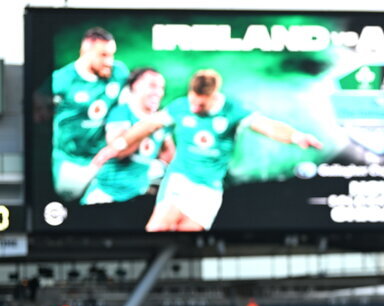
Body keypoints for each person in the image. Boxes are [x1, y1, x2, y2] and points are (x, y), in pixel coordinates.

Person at [93, 69, 322, 232]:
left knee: (185, 241)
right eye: (193, 100)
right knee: (158, 228)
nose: (194, 107)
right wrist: (117, 146)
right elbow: (148, 125)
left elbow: (267, 126)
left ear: (213, 97)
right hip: (180, 179)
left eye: (200, 104)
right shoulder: (181, 107)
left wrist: (295, 136)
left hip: (208, 189)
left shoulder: (233, 111)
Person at [49, 27, 130, 200]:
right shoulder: (61, 80)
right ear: (86, 51)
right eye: (103, 55)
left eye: (112, 54)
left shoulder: (119, 73)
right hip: (70, 162)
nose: (110, 61)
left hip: (104, 161)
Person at [82, 67, 173, 205]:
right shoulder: (122, 112)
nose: (158, 92)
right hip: (106, 196)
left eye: (161, 88)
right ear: (135, 85)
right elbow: (119, 151)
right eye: (152, 86)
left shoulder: (159, 120)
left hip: (137, 196)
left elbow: (169, 155)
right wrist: (149, 126)